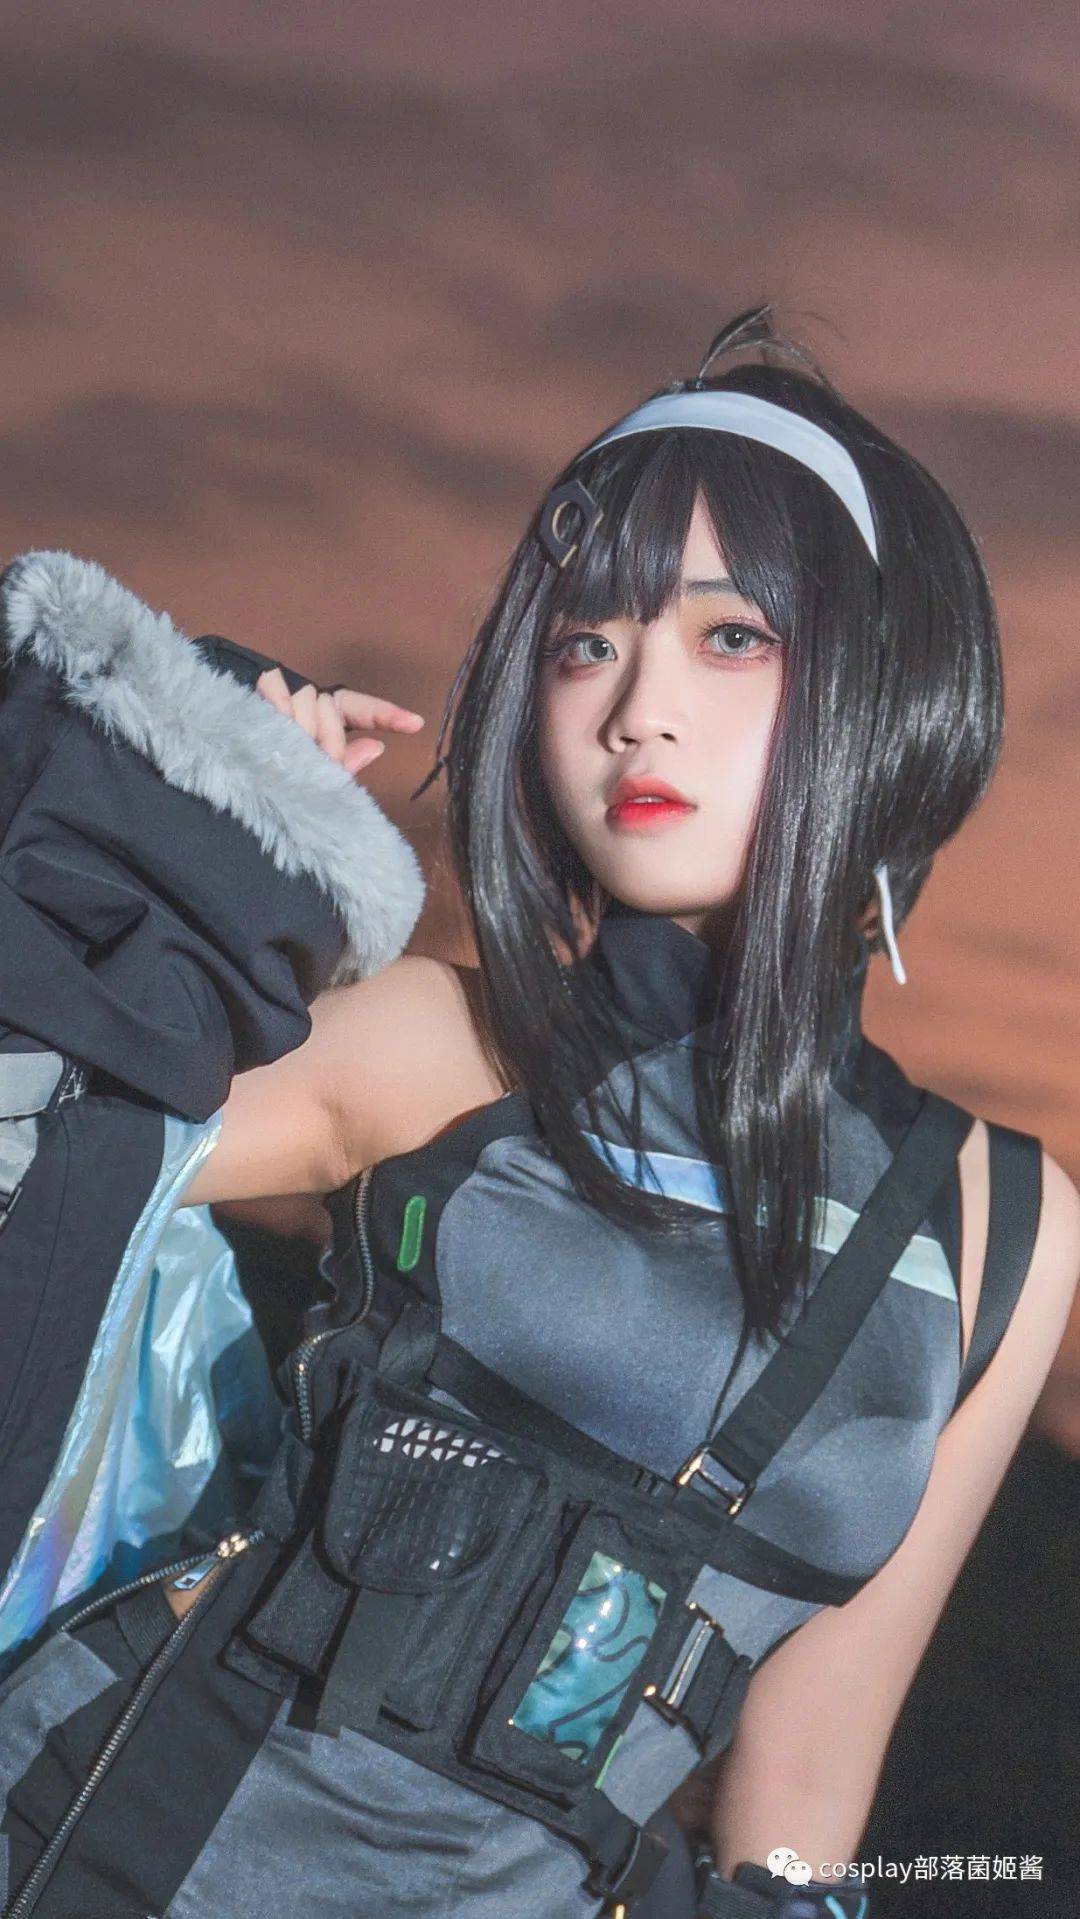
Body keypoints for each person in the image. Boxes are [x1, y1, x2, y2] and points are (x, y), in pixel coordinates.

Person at [0, 303, 1077, 1919]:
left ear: (884, 685)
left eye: (730, 637)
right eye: (587, 643)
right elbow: (42, 1134)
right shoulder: (444, 1046)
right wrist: (205, 817)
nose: (636, 705)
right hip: (116, 1851)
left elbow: (798, 1800)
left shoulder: (1003, 1223)